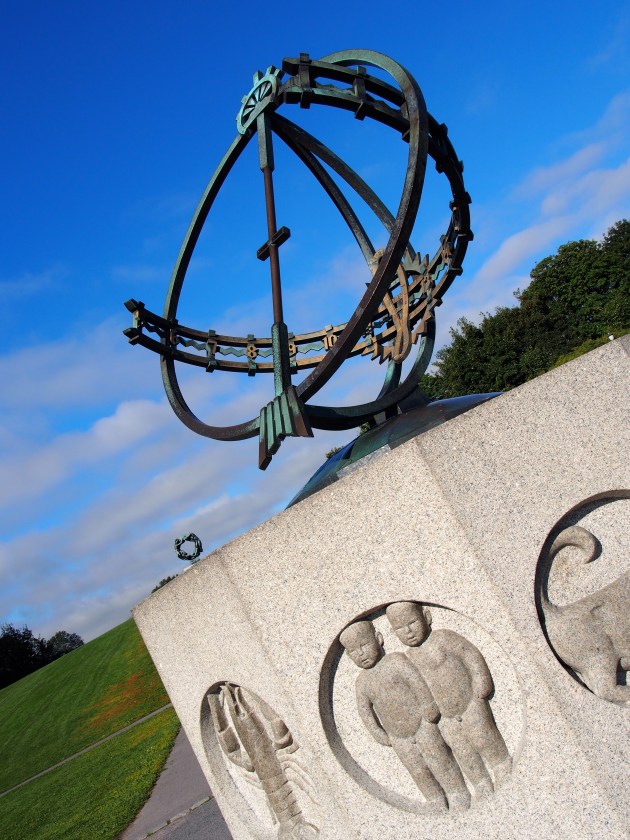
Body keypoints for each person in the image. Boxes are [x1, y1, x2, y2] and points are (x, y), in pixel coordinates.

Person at [340, 619, 470, 811]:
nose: (361, 654)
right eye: (353, 651)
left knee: (440, 759)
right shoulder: (362, 682)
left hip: (422, 725)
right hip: (398, 737)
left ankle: (457, 792)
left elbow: (416, 681)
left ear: (379, 639)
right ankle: (435, 799)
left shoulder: (396, 661)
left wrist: (428, 707)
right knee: (418, 770)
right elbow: (365, 711)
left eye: (364, 645)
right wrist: (378, 733)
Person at [386, 601, 511, 795]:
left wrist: (481, 681)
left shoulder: (443, 638)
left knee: (483, 736)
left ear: (426, 617)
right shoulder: (407, 658)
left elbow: (469, 654)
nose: (408, 631)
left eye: (412, 622)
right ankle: (480, 783)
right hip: (445, 718)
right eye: (400, 628)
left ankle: (501, 764)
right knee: (462, 751)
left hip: (470, 702)